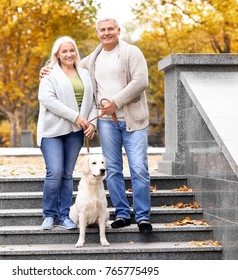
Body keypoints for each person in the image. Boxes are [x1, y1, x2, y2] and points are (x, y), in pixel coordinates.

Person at [40, 16, 152, 233]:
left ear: (119, 30)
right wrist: (46, 70)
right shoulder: (92, 59)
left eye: (111, 29)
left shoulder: (132, 52)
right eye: (102, 30)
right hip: (107, 123)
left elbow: (141, 81)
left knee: (138, 168)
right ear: (98, 33)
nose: (107, 33)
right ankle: (121, 213)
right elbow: (67, 66)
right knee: (113, 169)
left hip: (133, 120)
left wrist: (116, 102)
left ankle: (143, 216)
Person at [37, 36, 97, 230]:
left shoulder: (85, 74)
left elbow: (94, 102)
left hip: (75, 132)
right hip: (52, 131)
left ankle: (64, 216)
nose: (69, 54)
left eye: (72, 50)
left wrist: (92, 123)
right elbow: (48, 99)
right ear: (57, 54)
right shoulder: (49, 74)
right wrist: (76, 117)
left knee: (67, 175)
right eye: (64, 51)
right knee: (54, 172)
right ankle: (49, 214)